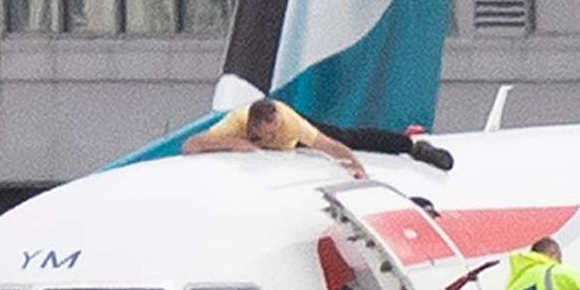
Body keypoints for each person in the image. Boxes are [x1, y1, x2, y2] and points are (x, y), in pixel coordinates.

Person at [182, 98, 454, 179]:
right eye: (268, 133)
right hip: (248, 137)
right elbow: (190, 145)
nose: (272, 135)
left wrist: (354, 164)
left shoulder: (289, 123)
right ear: (253, 127)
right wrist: (234, 143)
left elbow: (330, 145)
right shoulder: (234, 124)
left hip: (298, 136)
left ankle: (411, 144)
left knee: (346, 135)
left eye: (275, 130)